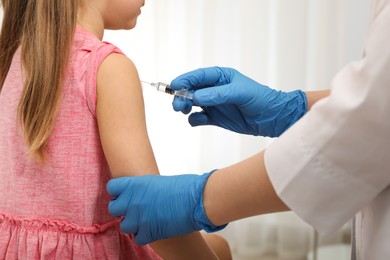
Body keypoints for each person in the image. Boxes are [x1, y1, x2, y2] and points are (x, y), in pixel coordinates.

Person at [106, 0, 390, 259]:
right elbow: (374, 108)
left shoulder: (107, 67)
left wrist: (201, 197)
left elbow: (371, 121)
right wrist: (291, 108)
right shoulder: (113, 69)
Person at [0, 0, 231, 259]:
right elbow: (149, 212)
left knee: (218, 245)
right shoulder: (108, 66)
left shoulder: (15, 58)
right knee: (220, 250)